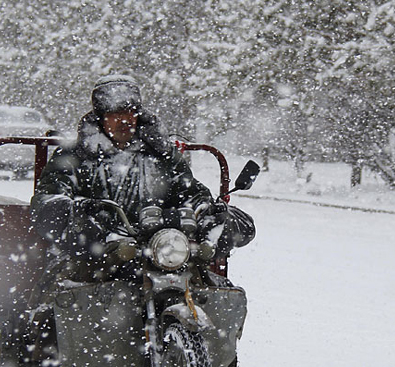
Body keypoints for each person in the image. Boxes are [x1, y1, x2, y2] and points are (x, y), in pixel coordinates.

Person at [31, 75, 255, 273]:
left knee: (206, 284)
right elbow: (48, 199)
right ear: (100, 116)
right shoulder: (74, 155)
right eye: (116, 113)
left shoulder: (160, 154)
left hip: (160, 251)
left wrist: (204, 210)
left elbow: (188, 190)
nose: (125, 120)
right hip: (95, 256)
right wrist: (80, 212)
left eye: (130, 112)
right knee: (59, 293)